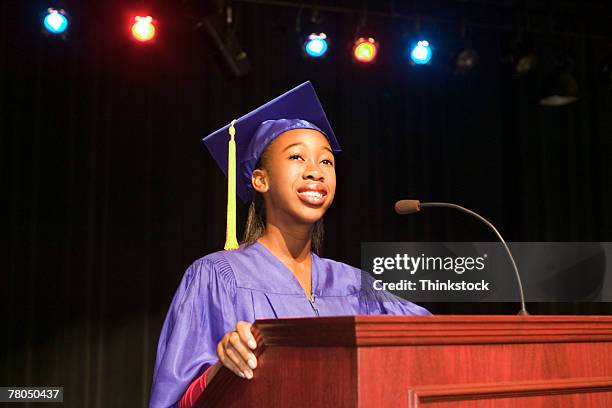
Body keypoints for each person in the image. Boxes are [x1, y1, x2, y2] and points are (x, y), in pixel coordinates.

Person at [148, 82, 431, 408]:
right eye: (297, 156)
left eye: (327, 162)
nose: (315, 171)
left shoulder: (356, 286)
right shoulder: (216, 277)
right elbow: (174, 400)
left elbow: (430, 344)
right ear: (260, 180)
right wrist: (221, 368)